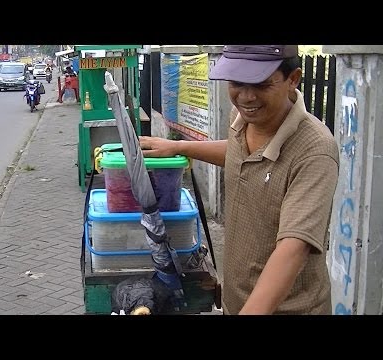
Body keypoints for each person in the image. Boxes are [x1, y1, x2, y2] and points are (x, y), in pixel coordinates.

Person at [138, 45, 340, 315]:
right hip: (237, 301)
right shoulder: (243, 118)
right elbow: (239, 153)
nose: (246, 97)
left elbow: (294, 247)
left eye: (260, 84)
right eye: (236, 83)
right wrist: (179, 147)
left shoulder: (314, 150)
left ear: (293, 79)